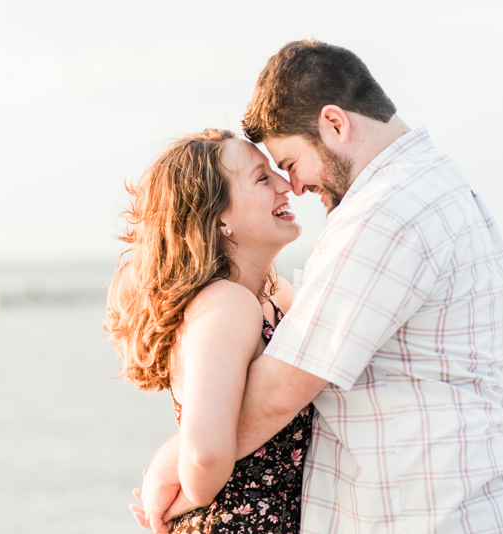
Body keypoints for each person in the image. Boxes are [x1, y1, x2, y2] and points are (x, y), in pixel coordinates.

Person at [133, 40, 503, 533]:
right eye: (272, 175)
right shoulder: (432, 187)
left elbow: (287, 383)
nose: (295, 187)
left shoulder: (388, 210)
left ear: (335, 124)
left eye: (288, 163)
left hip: (431, 514)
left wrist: (177, 461)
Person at [106, 128, 314, 533]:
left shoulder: (270, 297)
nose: (286, 184)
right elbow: (203, 457)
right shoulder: (227, 304)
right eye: (262, 178)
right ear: (218, 218)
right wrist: (180, 498)